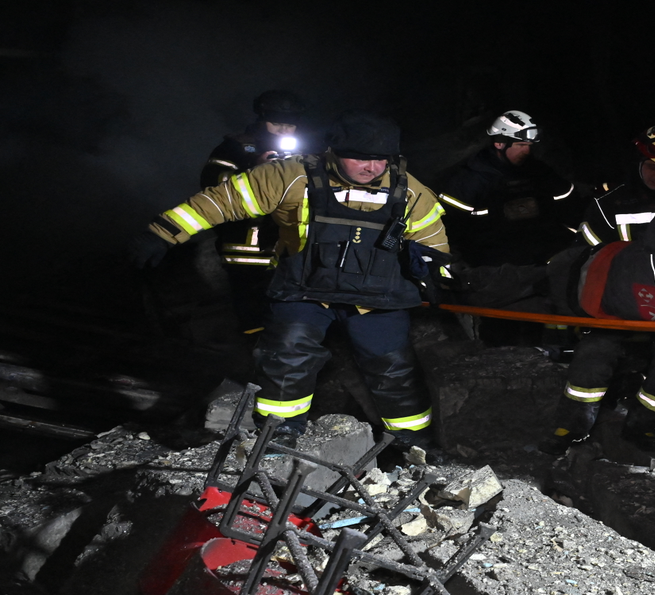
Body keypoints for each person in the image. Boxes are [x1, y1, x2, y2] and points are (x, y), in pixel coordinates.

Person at [129, 110, 450, 451]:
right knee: (286, 356)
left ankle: (416, 446)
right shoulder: (290, 176)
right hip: (304, 290)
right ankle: (279, 435)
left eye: (381, 160)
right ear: (334, 151)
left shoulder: (408, 191)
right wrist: (163, 233)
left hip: (377, 297)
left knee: (394, 370)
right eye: (361, 158)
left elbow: (433, 238)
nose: (372, 168)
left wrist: (435, 272)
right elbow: (221, 202)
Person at [540, 125, 655, 454]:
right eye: (652, 167)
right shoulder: (608, 204)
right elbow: (583, 258)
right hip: (615, 302)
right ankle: (571, 427)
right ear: (638, 161)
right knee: (592, 357)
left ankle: (640, 425)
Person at [436, 110, 582, 345]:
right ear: (499, 143)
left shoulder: (539, 172)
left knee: (548, 324)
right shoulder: (469, 181)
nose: (527, 150)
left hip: (539, 266)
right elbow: (447, 227)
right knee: (502, 333)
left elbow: (570, 208)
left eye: (529, 145)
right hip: (494, 274)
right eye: (521, 144)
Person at [201, 90, 309, 331]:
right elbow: (212, 185)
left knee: (292, 305)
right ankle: (254, 349)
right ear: (262, 119)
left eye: (289, 125)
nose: (283, 131)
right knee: (251, 305)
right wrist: (254, 170)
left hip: (288, 243)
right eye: (277, 123)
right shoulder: (235, 147)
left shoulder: (303, 151)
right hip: (245, 244)